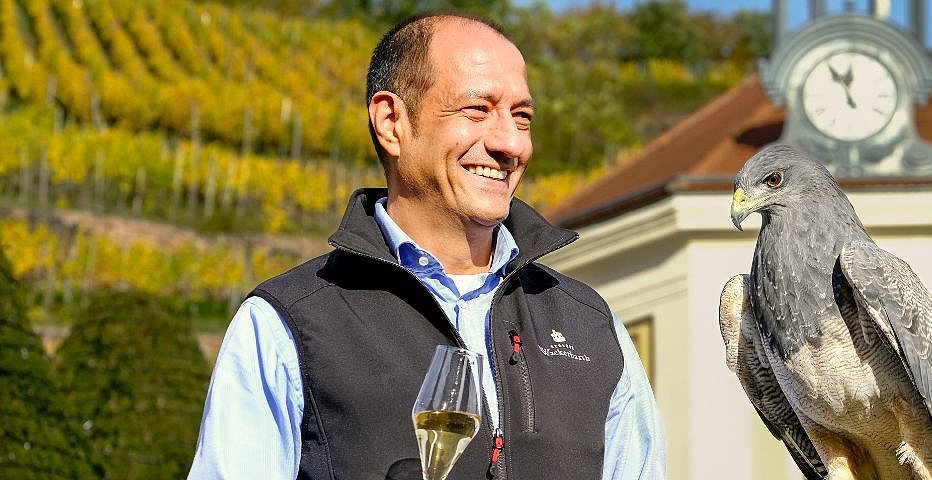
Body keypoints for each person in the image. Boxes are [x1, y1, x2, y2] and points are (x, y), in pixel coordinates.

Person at [187, 11, 665, 480]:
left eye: (522, 117)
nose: (510, 143)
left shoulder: (591, 325)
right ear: (392, 122)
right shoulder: (286, 323)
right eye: (477, 110)